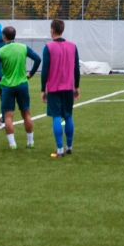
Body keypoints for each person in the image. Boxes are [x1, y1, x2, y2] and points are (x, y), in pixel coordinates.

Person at [0, 26, 41, 150]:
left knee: (8, 116)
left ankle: (12, 144)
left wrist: (1, 79)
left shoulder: (1, 51)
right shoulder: (23, 47)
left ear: (4, 36)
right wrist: (30, 74)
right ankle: (30, 141)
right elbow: (37, 59)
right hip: (22, 85)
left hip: (8, 87)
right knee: (26, 115)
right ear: (14, 36)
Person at [40, 19, 80, 156]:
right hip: (68, 87)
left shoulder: (48, 47)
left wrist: (42, 89)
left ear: (52, 30)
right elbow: (76, 68)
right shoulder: (72, 46)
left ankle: (60, 149)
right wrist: (77, 86)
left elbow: (45, 70)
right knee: (68, 116)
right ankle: (69, 146)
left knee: (56, 116)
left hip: (54, 87)